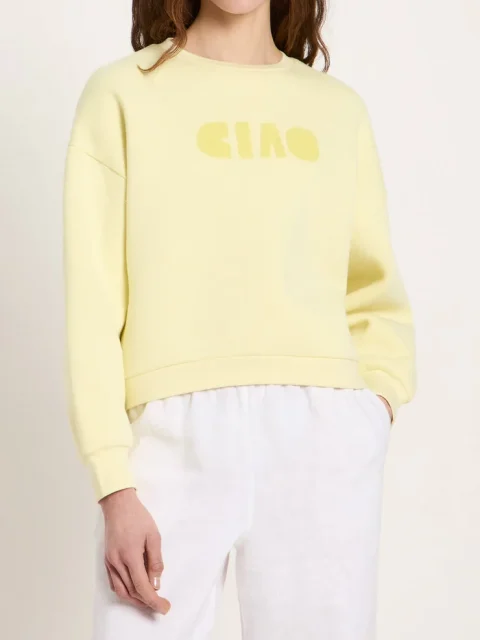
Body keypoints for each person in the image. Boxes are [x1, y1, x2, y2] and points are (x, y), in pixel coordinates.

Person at [62, 0, 416, 638]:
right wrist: (114, 481)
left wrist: (374, 406)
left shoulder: (337, 110)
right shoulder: (121, 94)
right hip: (166, 437)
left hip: (321, 433)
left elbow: (372, 287)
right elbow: (93, 303)